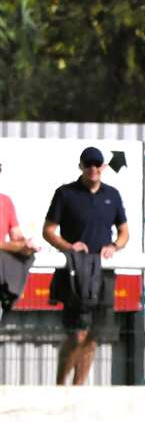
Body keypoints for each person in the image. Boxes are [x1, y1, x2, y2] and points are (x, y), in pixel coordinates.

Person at [42, 147, 128, 386]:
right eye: (88, 164)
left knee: (94, 335)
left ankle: (78, 389)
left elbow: (124, 232)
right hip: (75, 273)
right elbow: (48, 231)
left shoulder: (113, 195)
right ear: (81, 166)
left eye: (97, 164)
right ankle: (60, 386)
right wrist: (68, 246)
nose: (93, 168)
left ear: (102, 167)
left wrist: (114, 246)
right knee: (77, 335)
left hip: (103, 273)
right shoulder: (65, 193)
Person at [0, 160, 40, 318]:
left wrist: (25, 244)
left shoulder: (5, 202)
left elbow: (16, 234)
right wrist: (15, 247)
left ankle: (9, 293)